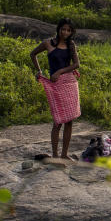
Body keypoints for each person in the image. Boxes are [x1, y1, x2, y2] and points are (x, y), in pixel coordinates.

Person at [30, 18, 81, 160]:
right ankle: (55, 154)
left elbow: (76, 64)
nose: (65, 32)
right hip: (56, 86)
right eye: (63, 29)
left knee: (69, 120)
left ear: (71, 32)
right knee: (58, 120)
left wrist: (60, 72)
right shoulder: (48, 43)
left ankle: (64, 154)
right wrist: (39, 71)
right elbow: (32, 54)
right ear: (58, 29)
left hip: (69, 83)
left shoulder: (71, 44)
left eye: (68, 30)